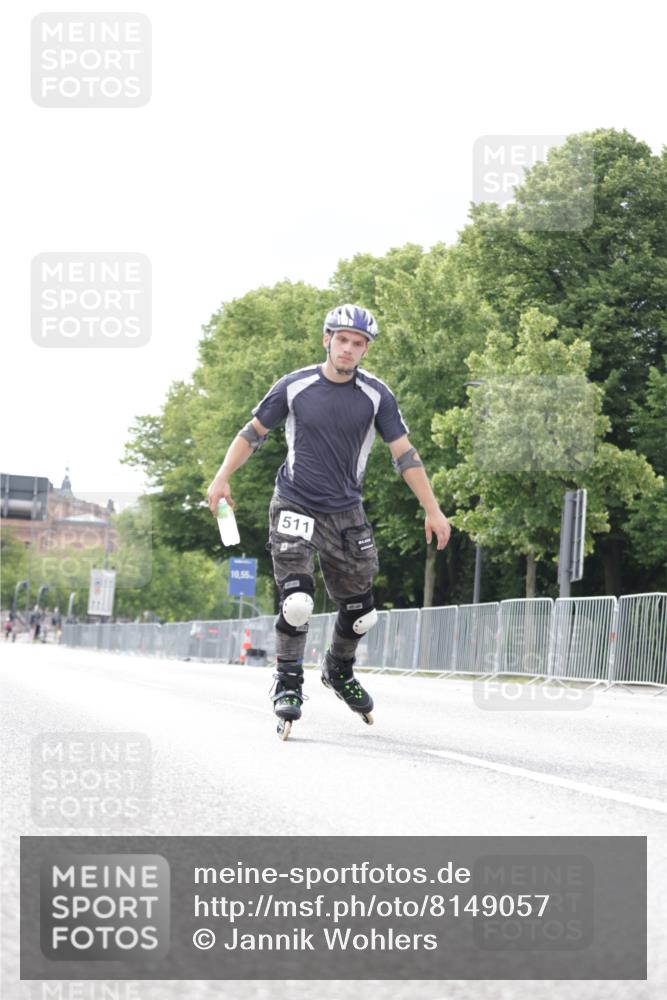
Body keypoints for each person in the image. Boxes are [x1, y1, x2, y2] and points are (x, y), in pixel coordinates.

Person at [207, 303, 451, 735]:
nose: (348, 349)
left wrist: (432, 508)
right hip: (295, 503)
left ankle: (338, 669)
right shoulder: (294, 386)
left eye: (358, 343)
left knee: (362, 615)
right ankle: (288, 683)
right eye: (342, 340)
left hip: (345, 513)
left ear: (366, 349)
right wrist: (222, 476)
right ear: (327, 340)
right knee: (298, 601)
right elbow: (253, 433)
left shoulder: (376, 395)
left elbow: (405, 454)